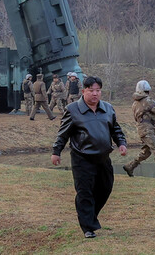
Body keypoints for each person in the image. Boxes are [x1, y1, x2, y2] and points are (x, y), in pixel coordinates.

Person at [51, 75, 128, 238]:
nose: (95, 94)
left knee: (105, 188)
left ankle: (90, 217)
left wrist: (121, 143)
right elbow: (63, 133)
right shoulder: (73, 110)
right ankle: (87, 228)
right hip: (82, 159)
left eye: (98, 90)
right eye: (91, 90)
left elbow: (116, 129)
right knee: (85, 192)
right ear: (83, 91)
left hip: (103, 158)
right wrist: (56, 152)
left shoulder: (108, 108)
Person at [123, 79, 155, 180]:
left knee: (147, 151)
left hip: (142, 129)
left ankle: (130, 166)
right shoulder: (147, 101)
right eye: (147, 91)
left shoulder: (135, 103)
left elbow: (141, 115)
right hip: (147, 129)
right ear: (146, 91)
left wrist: (153, 118)